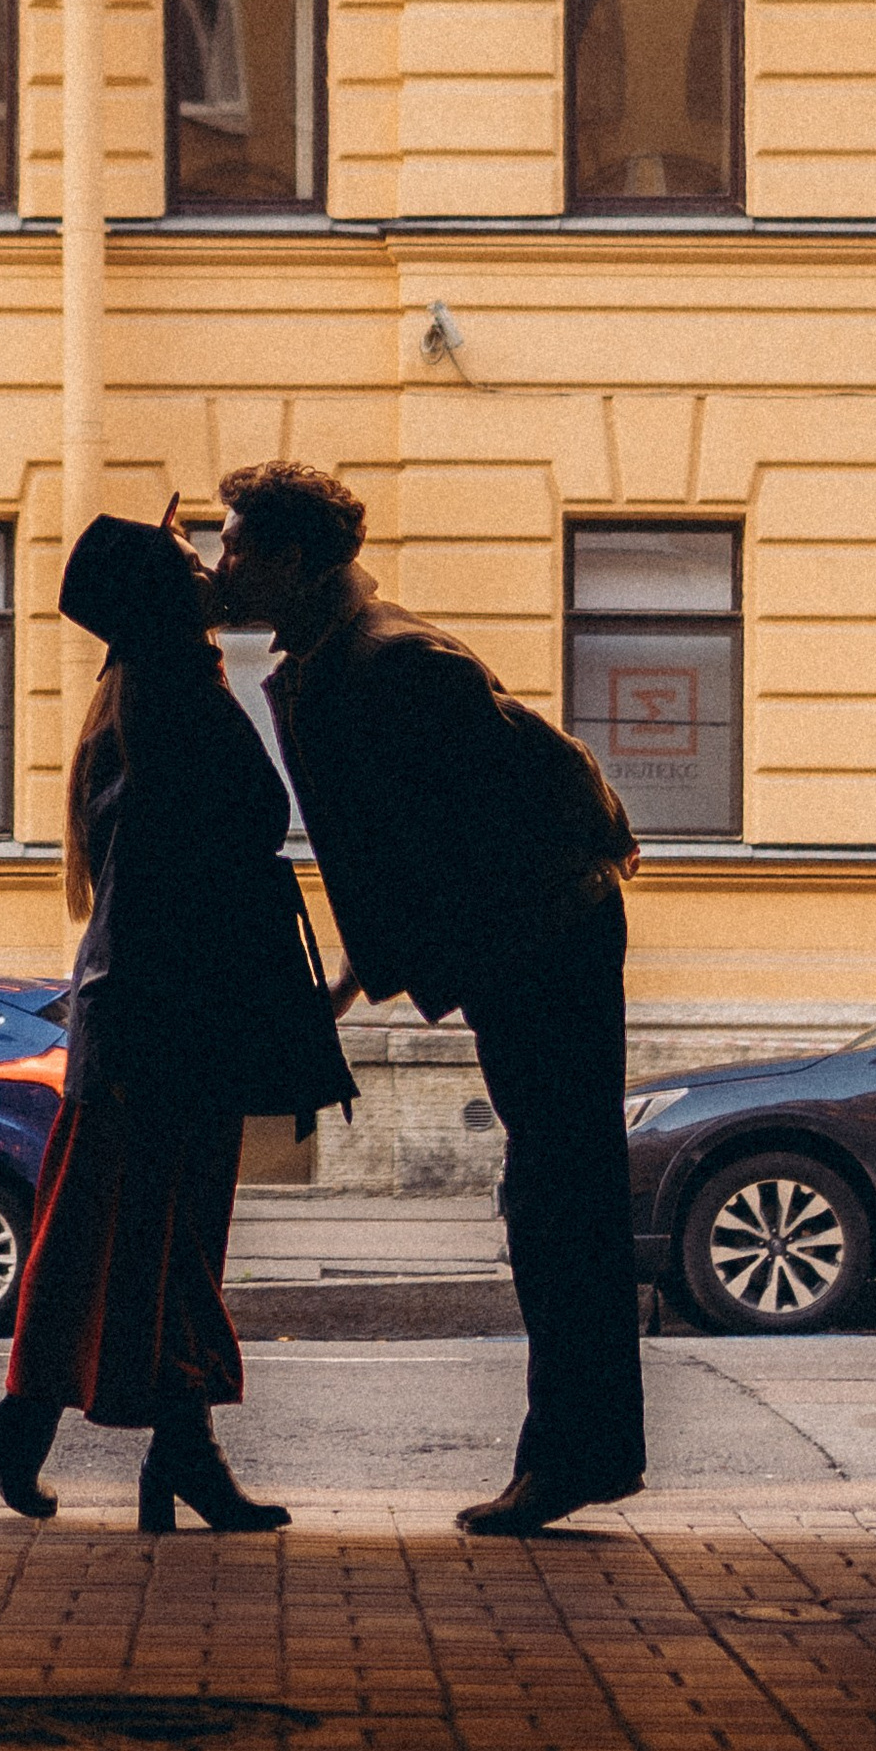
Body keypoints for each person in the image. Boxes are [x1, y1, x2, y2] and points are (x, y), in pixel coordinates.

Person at [206, 459, 645, 1536]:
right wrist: (358, 978)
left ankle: (576, 1456)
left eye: (234, 545)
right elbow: (398, 854)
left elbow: (542, 779)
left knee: (560, 1205)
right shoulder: (338, 654)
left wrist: (587, 862)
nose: (220, 565)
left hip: (546, 945)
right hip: (527, 946)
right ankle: (578, 1455)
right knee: (550, 1198)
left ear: (291, 557)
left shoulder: (393, 660)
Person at [0, 504, 353, 1531]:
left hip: (146, 1016)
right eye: (188, 558)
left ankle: (68, 1428)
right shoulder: (175, 692)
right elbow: (225, 842)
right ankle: (148, 1446)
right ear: (160, 597)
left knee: (127, 1238)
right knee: (162, 1241)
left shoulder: (143, 689)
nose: (209, 564)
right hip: (166, 1019)